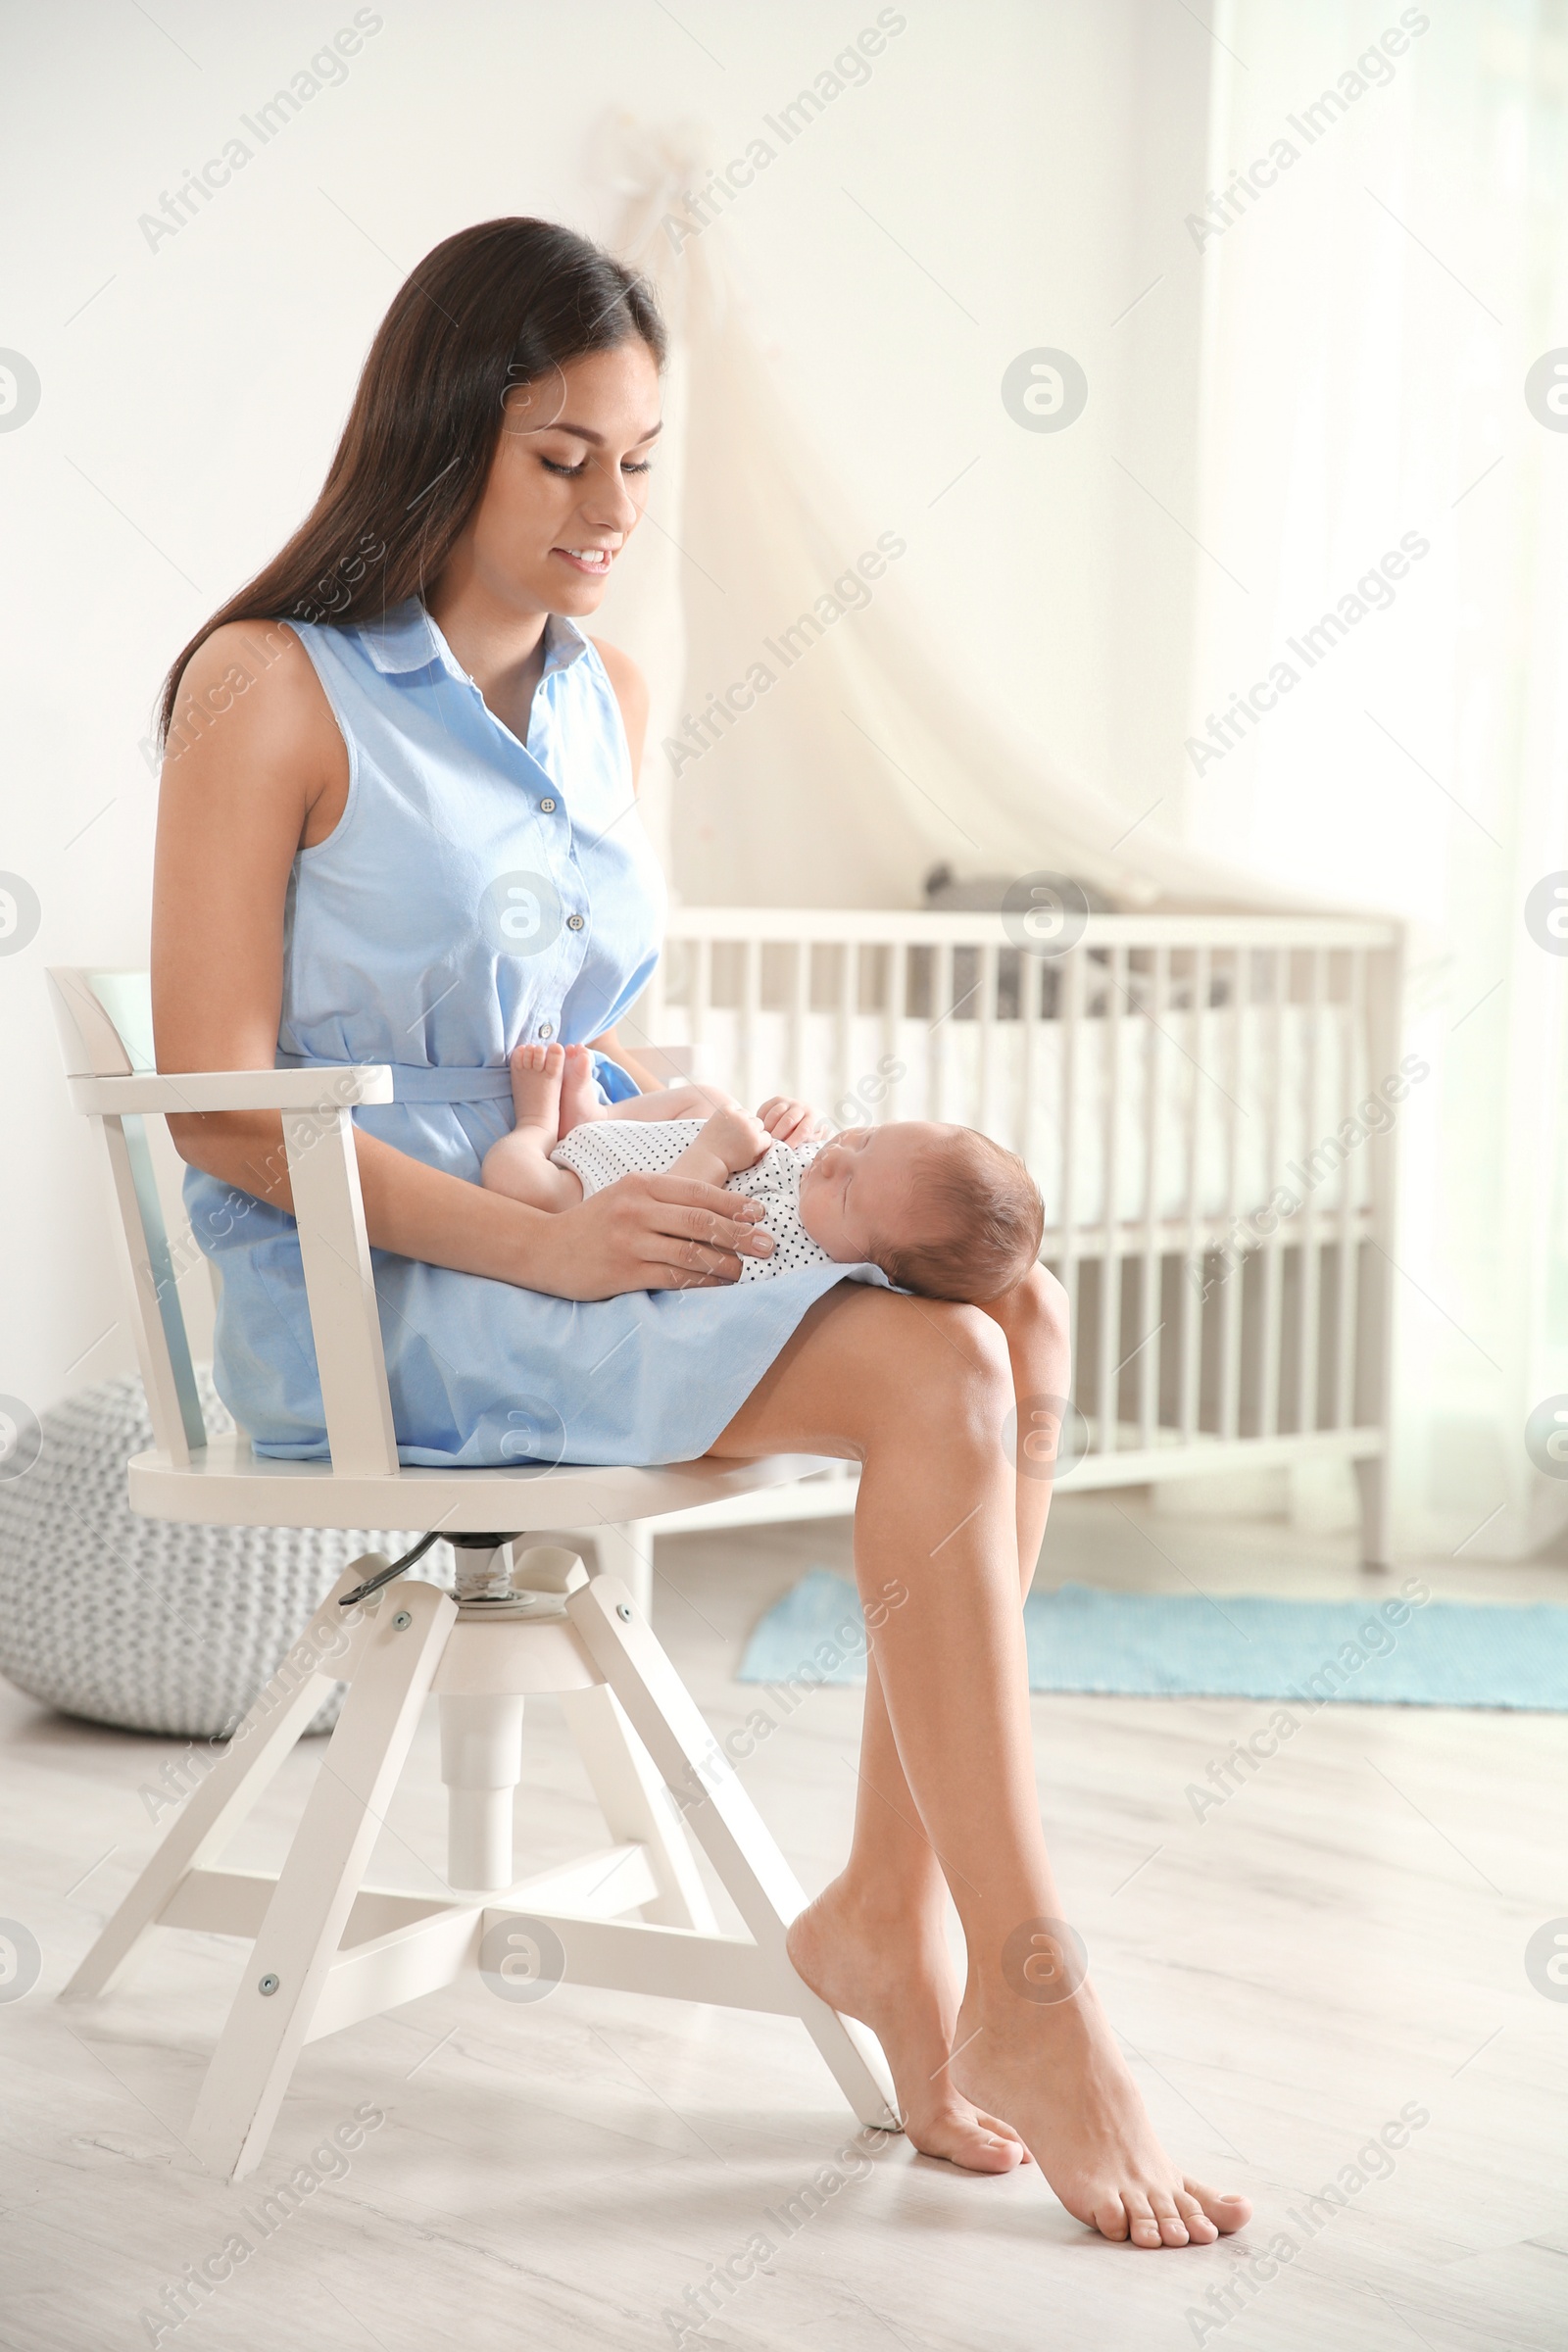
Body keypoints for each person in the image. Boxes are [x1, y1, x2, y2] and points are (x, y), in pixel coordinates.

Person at [150, 216, 1251, 2250]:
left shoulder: (607, 696)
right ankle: (1021, 1995)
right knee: (931, 1362)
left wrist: (724, 1147)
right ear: (441, 437)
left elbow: (586, 1032)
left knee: (1013, 1302)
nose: (609, 510)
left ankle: (879, 1917)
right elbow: (219, 1108)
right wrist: (555, 1244)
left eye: (640, 461)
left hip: (573, 1209)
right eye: (564, 456)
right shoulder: (268, 686)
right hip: (379, 1281)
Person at [480, 1040, 1046, 1302]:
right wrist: (796, 1119)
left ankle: (537, 1123)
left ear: (874, 1269)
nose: (835, 1158)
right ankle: (595, 1116)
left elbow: (666, 1228)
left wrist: (718, 1155)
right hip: (637, 1142)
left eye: (847, 1186)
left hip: (592, 1197)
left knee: (514, 1182)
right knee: (708, 1096)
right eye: (867, 1137)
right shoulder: (833, 1196)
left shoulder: (784, 1254)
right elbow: (809, 1147)